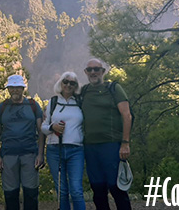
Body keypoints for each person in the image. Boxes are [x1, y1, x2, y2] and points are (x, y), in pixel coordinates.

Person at [81, 59, 132, 210]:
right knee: (98, 189)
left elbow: (127, 115)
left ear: (103, 71)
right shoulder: (84, 91)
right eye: (89, 70)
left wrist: (125, 143)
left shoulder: (114, 88)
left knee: (116, 187)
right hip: (90, 147)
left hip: (111, 145)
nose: (93, 72)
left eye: (96, 69)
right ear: (85, 72)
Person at [0, 74, 45, 210]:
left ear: (23, 88)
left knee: (31, 192)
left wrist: (40, 154)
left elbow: (41, 131)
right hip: (8, 154)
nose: (15, 90)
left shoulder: (33, 105)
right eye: (12, 87)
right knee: (10, 193)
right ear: (8, 89)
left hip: (30, 154)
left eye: (18, 87)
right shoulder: (2, 107)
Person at [41, 72, 85, 210]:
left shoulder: (80, 102)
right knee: (62, 190)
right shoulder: (53, 102)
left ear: (76, 86)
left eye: (72, 83)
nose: (68, 85)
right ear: (61, 82)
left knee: (76, 190)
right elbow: (43, 127)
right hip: (55, 150)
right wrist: (52, 127)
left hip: (76, 150)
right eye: (66, 82)